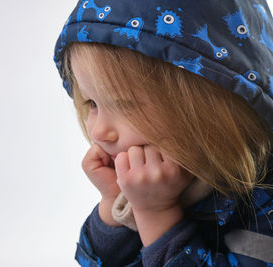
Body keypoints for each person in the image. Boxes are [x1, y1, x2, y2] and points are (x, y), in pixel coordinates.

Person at [53, 0, 273, 266]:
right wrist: (114, 207)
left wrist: (158, 216)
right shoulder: (152, 176)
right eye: (92, 104)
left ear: (209, 106)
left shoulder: (263, 199)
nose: (99, 132)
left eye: (125, 106)